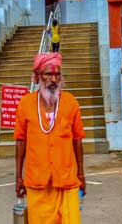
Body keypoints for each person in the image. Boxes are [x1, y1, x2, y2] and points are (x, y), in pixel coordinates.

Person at [15, 53, 86, 224]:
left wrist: (81, 175)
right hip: (37, 182)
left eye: (57, 74)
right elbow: (20, 141)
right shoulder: (25, 104)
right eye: (48, 74)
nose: (53, 79)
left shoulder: (71, 102)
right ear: (37, 77)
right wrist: (18, 176)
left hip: (67, 181)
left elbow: (77, 140)